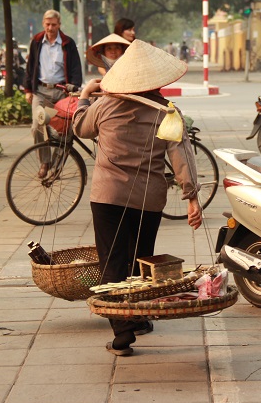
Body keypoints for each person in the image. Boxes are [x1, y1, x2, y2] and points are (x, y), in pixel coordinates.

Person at [73, 40, 203, 356]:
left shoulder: (104, 106)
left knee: (113, 262)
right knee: (142, 260)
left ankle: (122, 333)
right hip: (150, 198)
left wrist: (83, 96)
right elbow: (182, 155)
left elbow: (80, 126)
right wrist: (192, 198)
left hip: (108, 197)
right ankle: (140, 317)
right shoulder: (167, 112)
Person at [24, 10, 83, 178]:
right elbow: (30, 67)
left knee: (64, 131)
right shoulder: (36, 41)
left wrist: (73, 88)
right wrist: (28, 90)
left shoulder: (67, 43)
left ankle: (56, 166)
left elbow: (75, 69)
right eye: (47, 24)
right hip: (41, 92)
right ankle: (45, 162)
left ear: (59, 25)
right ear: (43, 24)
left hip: (61, 93)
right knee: (37, 126)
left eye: (54, 25)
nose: (50, 28)